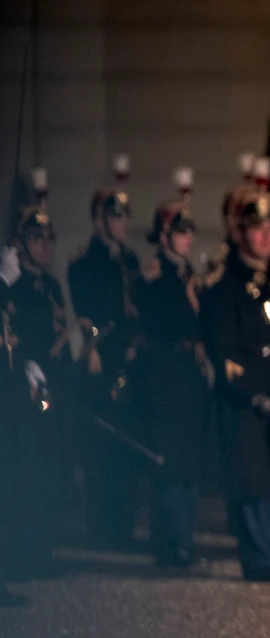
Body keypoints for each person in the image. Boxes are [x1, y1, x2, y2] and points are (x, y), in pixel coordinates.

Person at [199, 188, 270, 583]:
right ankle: (260, 557)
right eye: (254, 229)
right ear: (239, 233)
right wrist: (256, 393)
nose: (264, 236)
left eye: (268, 228)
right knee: (252, 482)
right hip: (245, 402)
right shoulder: (225, 286)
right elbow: (225, 351)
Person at [130, 195, 211, 570]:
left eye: (188, 231)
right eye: (179, 232)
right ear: (163, 236)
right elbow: (160, 323)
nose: (186, 239)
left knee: (188, 464)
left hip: (187, 376)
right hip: (165, 377)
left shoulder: (186, 273)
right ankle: (172, 546)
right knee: (170, 465)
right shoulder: (157, 275)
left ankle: (183, 543)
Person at [68, 179, 142, 550]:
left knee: (127, 450)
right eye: (114, 216)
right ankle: (101, 529)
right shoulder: (85, 263)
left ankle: (124, 528)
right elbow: (89, 310)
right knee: (101, 449)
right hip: (102, 361)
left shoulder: (129, 260)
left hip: (128, 360)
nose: (121, 223)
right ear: (98, 219)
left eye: (124, 215)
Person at [2, 202, 71, 581]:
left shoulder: (50, 285)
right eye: (35, 239)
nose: (44, 246)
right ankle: (26, 554)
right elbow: (17, 336)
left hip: (52, 384)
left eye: (47, 238)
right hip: (27, 390)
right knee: (28, 474)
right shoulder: (17, 285)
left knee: (51, 471)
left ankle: (43, 549)